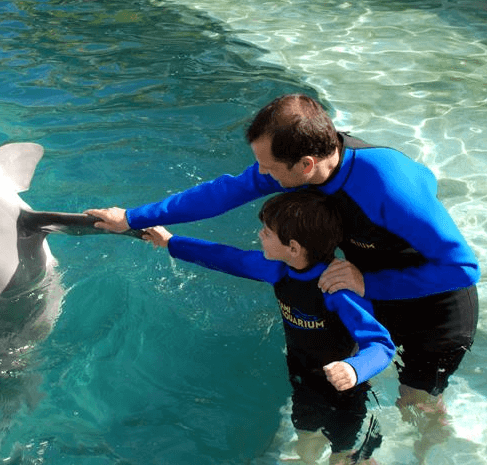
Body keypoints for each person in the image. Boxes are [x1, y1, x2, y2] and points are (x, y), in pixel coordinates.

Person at [85, 93, 480, 460]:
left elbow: (462, 268)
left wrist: (368, 284)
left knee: (415, 401)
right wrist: (133, 218)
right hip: (361, 283)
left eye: (268, 167)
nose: (260, 174)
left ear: (305, 165)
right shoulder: (299, 166)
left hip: (434, 307)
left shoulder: (388, 183)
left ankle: (435, 447)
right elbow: (221, 193)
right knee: (358, 373)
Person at [142, 190, 394, 464]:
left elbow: (381, 344)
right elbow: (227, 258)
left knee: (342, 452)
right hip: (303, 376)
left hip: (346, 389)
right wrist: (171, 242)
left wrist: (354, 369)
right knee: (305, 435)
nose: (260, 235)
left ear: (294, 248)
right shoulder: (279, 269)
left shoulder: (336, 289)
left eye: (267, 232)